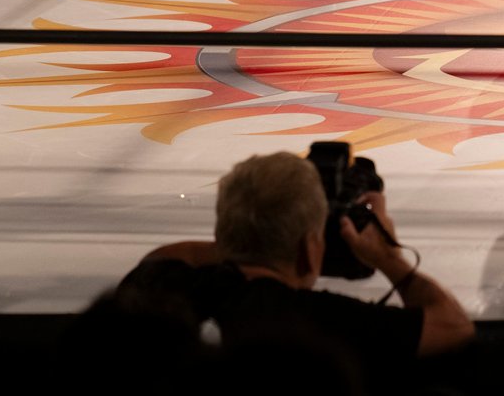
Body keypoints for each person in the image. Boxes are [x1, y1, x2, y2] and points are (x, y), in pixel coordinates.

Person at [120, 152, 473, 379]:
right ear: (309, 248)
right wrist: (389, 258)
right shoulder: (320, 322)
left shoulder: (159, 285)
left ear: (222, 232)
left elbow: (171, 254)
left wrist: (245, 239)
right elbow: (453, 325)